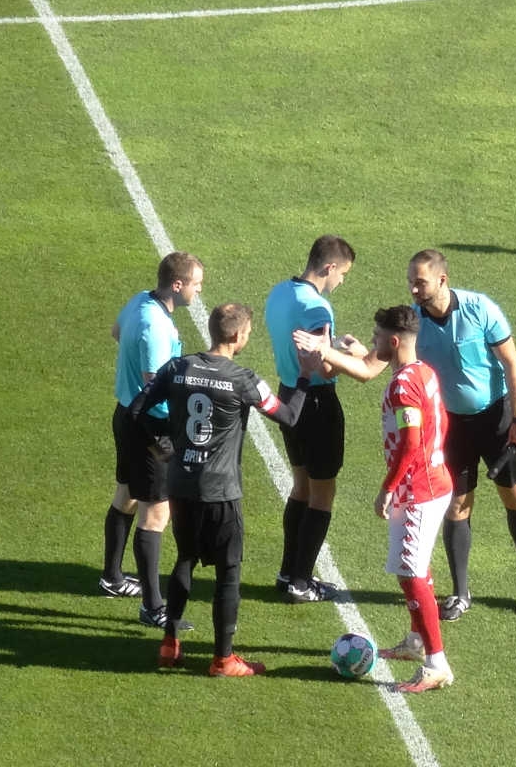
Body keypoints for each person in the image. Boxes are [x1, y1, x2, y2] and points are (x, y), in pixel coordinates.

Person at [297, 249, 516, 620]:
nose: (413, 289)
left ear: (442, 280)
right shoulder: (412, 323)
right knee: (458, 505)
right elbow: (369, 368)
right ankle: (460, 593)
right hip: (451, 425)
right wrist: (330, 353)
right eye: (410, 282)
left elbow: (512, 363)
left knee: (515, 497)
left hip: (497, 417)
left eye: (420, 282)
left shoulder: (481, 309)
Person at [130, 303, 308, 676]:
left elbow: (137, 410)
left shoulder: (177, 368)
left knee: (185, 557)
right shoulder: (243, 379)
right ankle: (223, 659)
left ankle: (169, 642)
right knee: (228, 571)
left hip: (181, 483)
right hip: (221, 490)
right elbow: (289, 416)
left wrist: (164, 449)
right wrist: (305, 376)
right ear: (239, 335)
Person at [105, 251, 203, 631]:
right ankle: (152, 607)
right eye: (196, 284)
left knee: (126, 495)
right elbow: (155, 384)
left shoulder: (139, 302)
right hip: (152, 427)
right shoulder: (157, 326)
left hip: (125, 414)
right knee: (156, 513)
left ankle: (112, 577)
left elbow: (116, 332)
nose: (198, 291)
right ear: (177, 285)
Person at [263, 235, 356, 603]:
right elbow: (323, 366)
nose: (341, 281)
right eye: (342, 274)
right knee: (322, 493)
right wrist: (349, 354)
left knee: (300, 486)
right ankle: (301, 582)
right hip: (318, 404)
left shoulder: (279, 293)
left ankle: (288, 572)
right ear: (329, 267)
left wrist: (331, 348)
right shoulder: (318, 308)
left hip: (289, 395)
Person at [367, 306, 456, 692]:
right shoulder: (425, 373)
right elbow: (440, 424)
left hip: (418, 490)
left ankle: (436, 664)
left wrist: (389, 487)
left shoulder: (403, 385)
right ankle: (417, 641)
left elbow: (410, 443)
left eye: (376, 337)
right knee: (413, 568)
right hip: (432, 482)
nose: (372, 343)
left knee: (411, 572)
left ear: (393, 341)